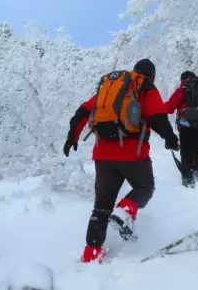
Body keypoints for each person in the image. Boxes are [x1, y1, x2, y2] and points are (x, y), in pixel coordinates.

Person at [63, 58, 180, 264]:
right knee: (145, 187)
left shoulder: (112, 87)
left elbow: (82, 111)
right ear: (151, 75)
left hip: (102, 156)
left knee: (101, 205)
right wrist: (169, 137)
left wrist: (72, 136)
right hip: (132, 154)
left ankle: (92, 253)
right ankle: (124, 211)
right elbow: (157, 116)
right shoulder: (144, 85)